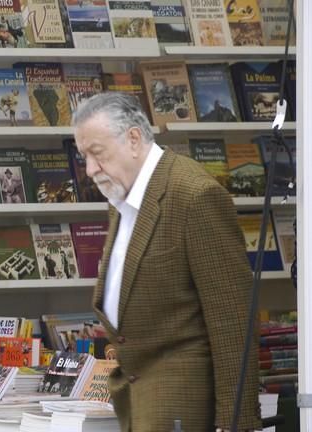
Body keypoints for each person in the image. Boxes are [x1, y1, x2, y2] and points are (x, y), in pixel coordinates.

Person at [72, 92, 260, 432]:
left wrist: (237, 422)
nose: (90, 170)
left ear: (133, 139)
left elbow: (233, 320)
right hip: (138, 402)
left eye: (97, 154)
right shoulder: (121, 197)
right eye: (84, 156)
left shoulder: (194, 196)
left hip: (184, 405)